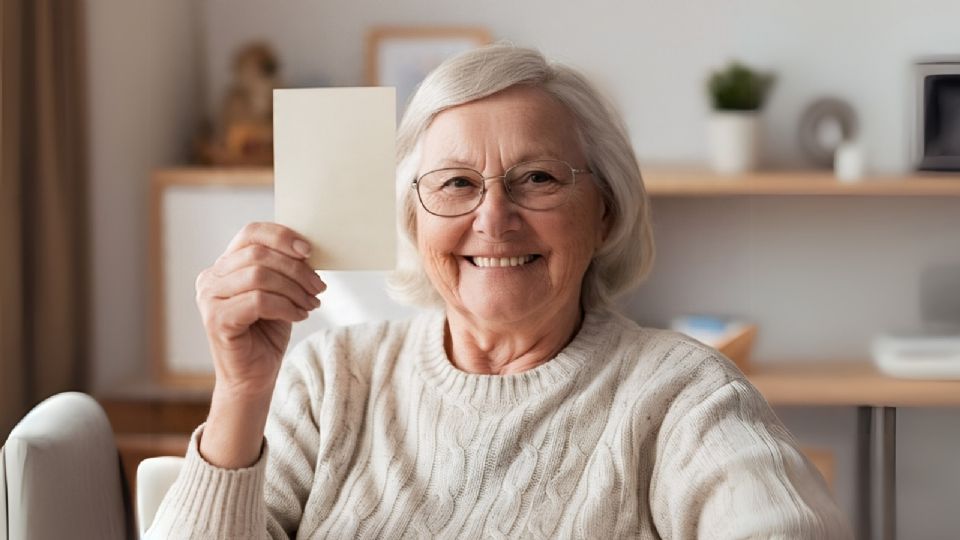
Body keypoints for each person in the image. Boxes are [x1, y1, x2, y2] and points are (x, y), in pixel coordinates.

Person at [148, 45, 853, 539]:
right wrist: (239, 392)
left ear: (604, 208)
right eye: (455, 183)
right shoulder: (330, 380)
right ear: (412, 218)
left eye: (538, 178)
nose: (493, 219)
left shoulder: (682, 394)